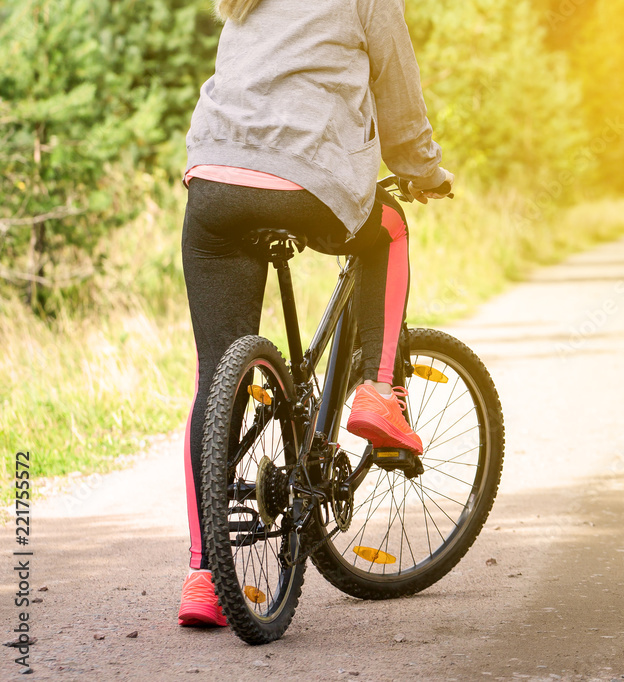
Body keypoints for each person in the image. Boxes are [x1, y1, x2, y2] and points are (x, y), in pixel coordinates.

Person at [177, 0, 453, 628]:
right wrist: (424, 171)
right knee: (388, 228)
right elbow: (400, 103)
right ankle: (379, 390)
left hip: (214, 181)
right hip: (309, 178)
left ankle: (202, 574)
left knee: (216, 374)